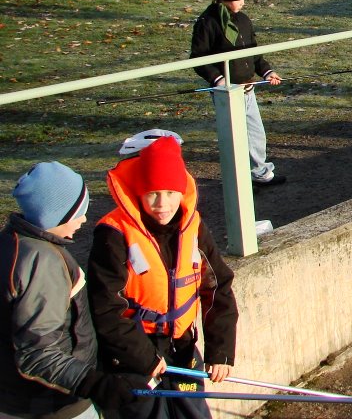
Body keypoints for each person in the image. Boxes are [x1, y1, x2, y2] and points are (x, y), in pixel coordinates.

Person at [88, 135, 238, 419]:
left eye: (170, 193)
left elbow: (218, 289)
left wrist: (221, 351)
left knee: (193, 409)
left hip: (182, 349)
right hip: (133, 358)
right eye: (152, 193)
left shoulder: (193, 227)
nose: (162, 204)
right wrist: (143, 357)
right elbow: (105, 306)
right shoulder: (113, 234)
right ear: (139, 192)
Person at [1, 162, 148, 419]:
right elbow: (37, 352)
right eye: (78, 212)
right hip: (54, 404)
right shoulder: (42, 261)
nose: (84, 219)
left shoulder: (12, 242)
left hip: (16, 398)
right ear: (55, 214)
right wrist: (94, 383)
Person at [190, 0, 285, 187]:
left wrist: (267, 72)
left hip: (248, 88)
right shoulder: (208, 22)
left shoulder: (243, 20)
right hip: (227, 91)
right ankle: (238, 182)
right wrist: (218, 79)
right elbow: (197, 57)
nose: (242, 2)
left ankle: (260, 173)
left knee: (256, 134)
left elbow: (253, 52)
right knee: (235, 139)